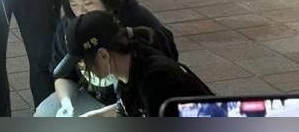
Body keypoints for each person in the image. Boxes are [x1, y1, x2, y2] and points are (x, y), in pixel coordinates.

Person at [35, 0, 178, 117]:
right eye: (74, 4)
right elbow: (64, 75)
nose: (81, 12)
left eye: (88, 3)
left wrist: (102, 115)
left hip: (144, 103)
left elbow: (144, 102)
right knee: (46, 113)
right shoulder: (73, 26)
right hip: (98, 99)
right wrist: (67, 103)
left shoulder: (138, 24)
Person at [59, 10, 213, 117]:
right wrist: (94, 117)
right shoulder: (130, 68)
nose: (81, 68)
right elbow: (127, 108)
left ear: (103, 55)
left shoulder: (156, 80)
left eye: (82, 63)